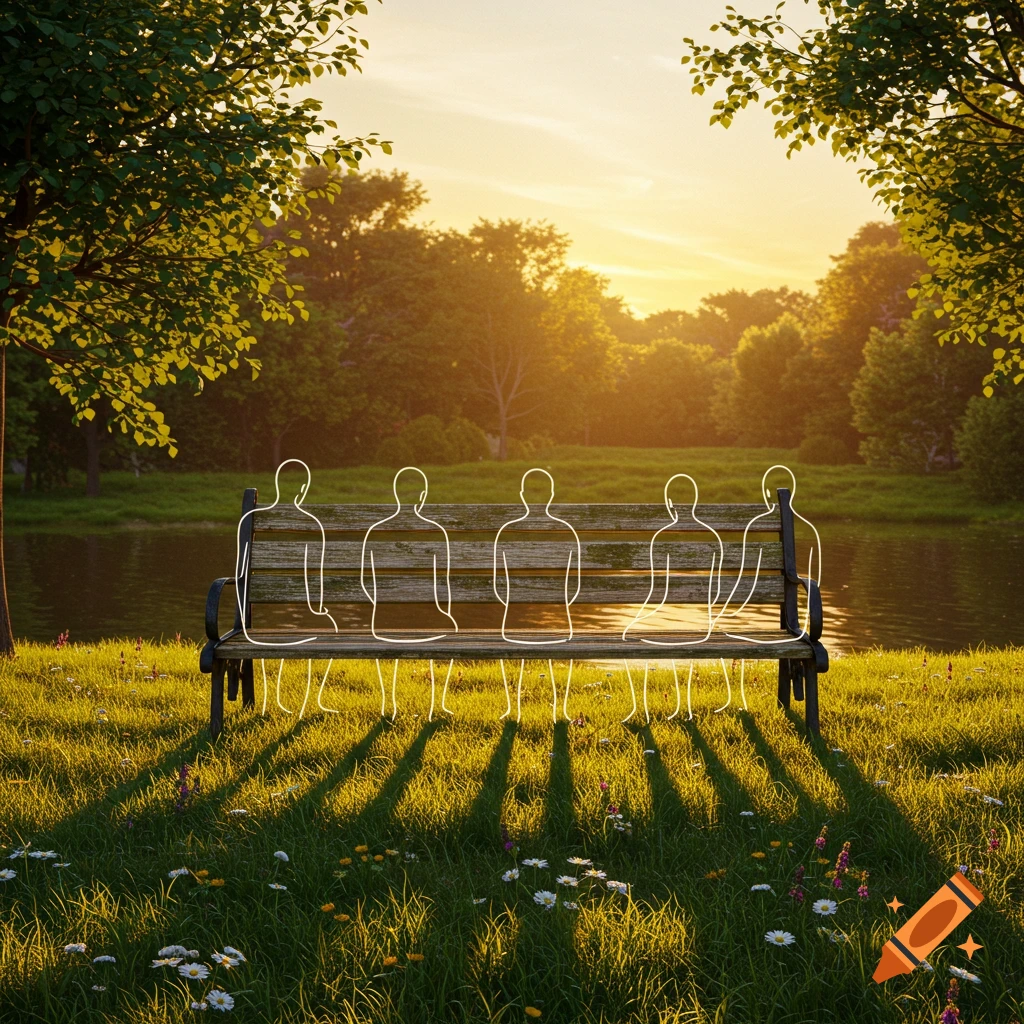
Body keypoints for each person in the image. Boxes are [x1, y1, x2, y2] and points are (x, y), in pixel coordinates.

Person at [360, 466, 456, 720]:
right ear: (423, 496)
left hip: (380, 621)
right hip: (434, 621)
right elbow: (444, 585)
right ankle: (437, 703)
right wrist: (442, 611)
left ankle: (387, 704)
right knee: (449, 625)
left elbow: (364, 582)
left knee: (387, 624)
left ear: (394, 493)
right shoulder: (436, 531)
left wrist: (380, 606)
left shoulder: (375, 531)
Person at [492, 468, 580, 721]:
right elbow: (574, 588)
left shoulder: (507, 531)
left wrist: (511, 605)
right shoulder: (566, 531)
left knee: (515, 645)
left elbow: (499, 587)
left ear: (521, 495)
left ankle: (513, 709)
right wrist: (562, 605)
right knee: (558, 647)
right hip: (563, 622)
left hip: (511, 622)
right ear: (552, 495)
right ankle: (560, 710)